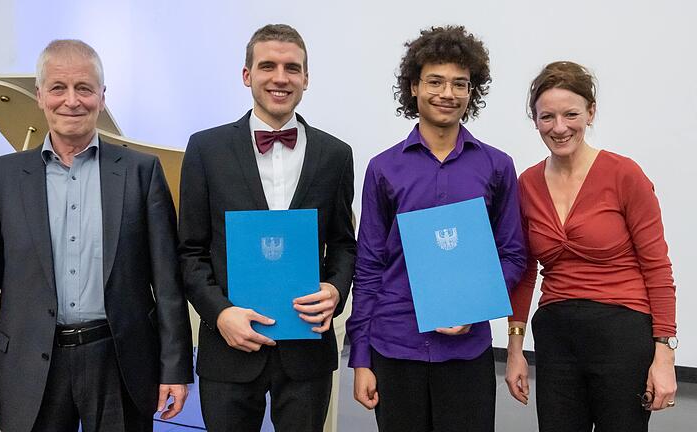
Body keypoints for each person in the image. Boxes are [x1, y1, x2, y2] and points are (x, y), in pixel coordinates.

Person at [0, 39, 192, 432]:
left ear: (101, 96)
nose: (72, 101)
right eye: (58, 88)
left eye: (84, 88)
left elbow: (167, 285)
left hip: (120, 363)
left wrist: (175, 369)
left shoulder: (141, 173)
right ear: (40, 96)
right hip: (28, 370)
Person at [346, 25, 526, 432]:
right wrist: (360, 357)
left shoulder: (497, 167)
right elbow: (369, 264)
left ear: (471, 92)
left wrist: (474, 304)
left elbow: (512, 253)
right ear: (413, 87)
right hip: (395, 346)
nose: (448, 93)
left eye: (460, 84)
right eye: (436, 81)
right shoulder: (383, 168)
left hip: (467, 351)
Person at [178, 24, 356, 432]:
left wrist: (335, 290)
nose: (280, 77)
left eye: (292, 68)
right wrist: (220, 314)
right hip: (228, 347)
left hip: (307, 347)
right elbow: (189, 250)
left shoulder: (335, 154)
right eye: (268, 66)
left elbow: (345, 245)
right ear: (247, 76)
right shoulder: (206, 149)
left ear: (306, 79)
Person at [505, 61, 677, 431]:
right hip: (556, 335)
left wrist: (664, 353)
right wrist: (515, 350)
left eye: (571, 114)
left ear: (591, 112)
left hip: (622, 333)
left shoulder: (624, 174)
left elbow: (657, 267)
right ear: (534, 120)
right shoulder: (527, 184)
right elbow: (523, 273)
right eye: (546, 116)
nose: (560, 127)